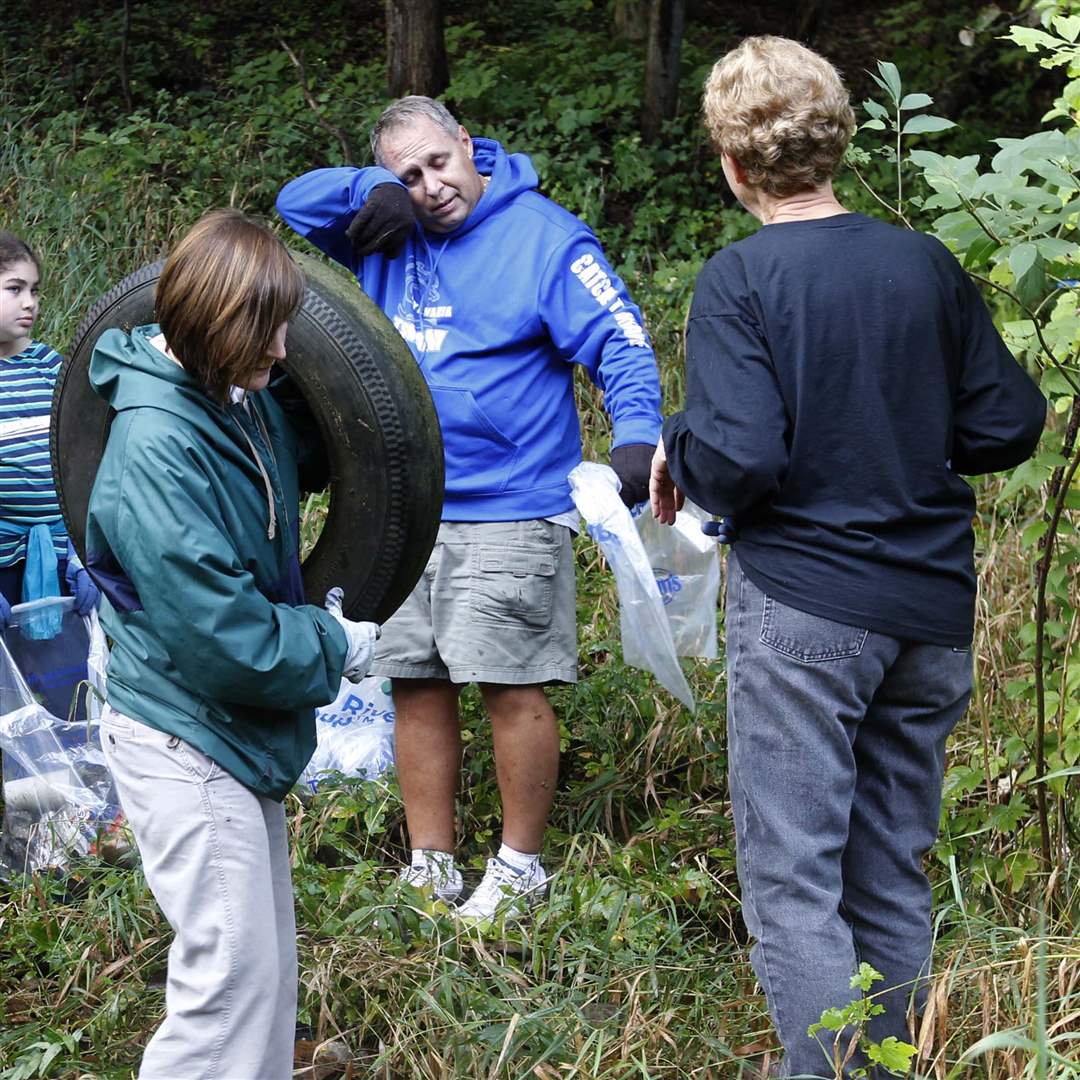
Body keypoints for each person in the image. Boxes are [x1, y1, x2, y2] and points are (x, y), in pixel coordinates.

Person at [649, 36, 1046, 1079]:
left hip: (808, 612)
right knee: (887, 871)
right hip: (927, 612)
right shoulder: (922, 263)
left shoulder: (741, 279)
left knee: (793, 880)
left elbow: (737, 458)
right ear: (840, 139)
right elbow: (1009, 423)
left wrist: (678, 447)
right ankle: (879, 1069)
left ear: (733, 165)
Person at [277, 95, 662, 920]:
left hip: (512, 503)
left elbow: (623, 340)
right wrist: (366, 193)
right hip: (401, 506)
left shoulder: (545, 239)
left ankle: (521, 866)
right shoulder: (384, 223)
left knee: (508, 685)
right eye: (407, 176)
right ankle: (432, 862)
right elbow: (290, 203)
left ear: (467, 144)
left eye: (438, 163)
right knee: (413, 681)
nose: (431, 187)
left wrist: (636, 438)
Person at [84, 209, 379, 1080]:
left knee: (262, 979)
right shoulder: (155, 448)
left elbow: (299, 459)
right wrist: (333, 641)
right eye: (266, 328)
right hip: (183, 733)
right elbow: (228, 641)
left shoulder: (231, 402)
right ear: (215, 326)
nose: (285, 348)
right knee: (226, 989)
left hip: (229, 731)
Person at [0, 231, 99, 720]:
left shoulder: (52, 369)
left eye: (35, 290)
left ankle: (67, 788)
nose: (30, 303)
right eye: (14, 289)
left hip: (56, 561)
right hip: (2, 566)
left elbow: (79, 468)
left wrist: (83, 559)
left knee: (70, 691)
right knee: (8, 703)